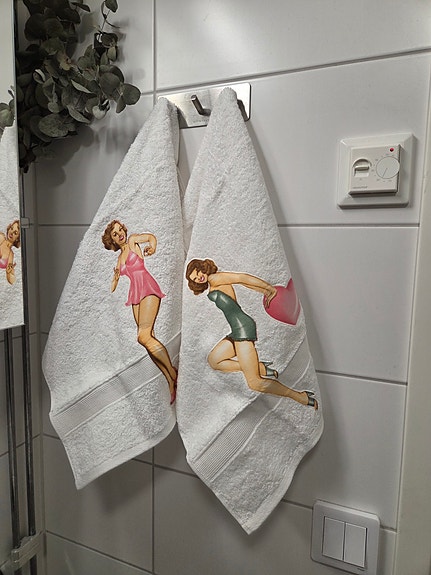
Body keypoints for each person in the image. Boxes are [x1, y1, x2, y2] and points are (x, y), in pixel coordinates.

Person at [186, 258, 318, 410]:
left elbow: (242, 278)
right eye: (195, 279)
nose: (199, 277)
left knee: (255, 383)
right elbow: (243, 282)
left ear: (202, 267)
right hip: (236, 329)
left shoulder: (216, 278)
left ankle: (299, 396)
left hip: (243, 328)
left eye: (197, 272)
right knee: (214, 360)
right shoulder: (213, 283)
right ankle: (259, 367)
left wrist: (269, 288)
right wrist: (264, 291)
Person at [102, 220, 177, 403]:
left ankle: (174, 373)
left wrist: (153, 247)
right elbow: (112, 287)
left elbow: (150, 237)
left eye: (120, 229)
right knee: (147, 338)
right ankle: (169, 380)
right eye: (115, 234)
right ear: (112, 240)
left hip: (148, 288)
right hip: (135, 295)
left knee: (144, 336)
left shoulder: (133, 241)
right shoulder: (119, 259)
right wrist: (115, 278)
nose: (120, 233)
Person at [0, 219, 20, 285]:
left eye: (15, 233)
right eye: (11, 228)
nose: (11, 233)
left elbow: (11, 281)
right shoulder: (1, 238)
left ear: (17, 239)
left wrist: (9, 272)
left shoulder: (11, 255)